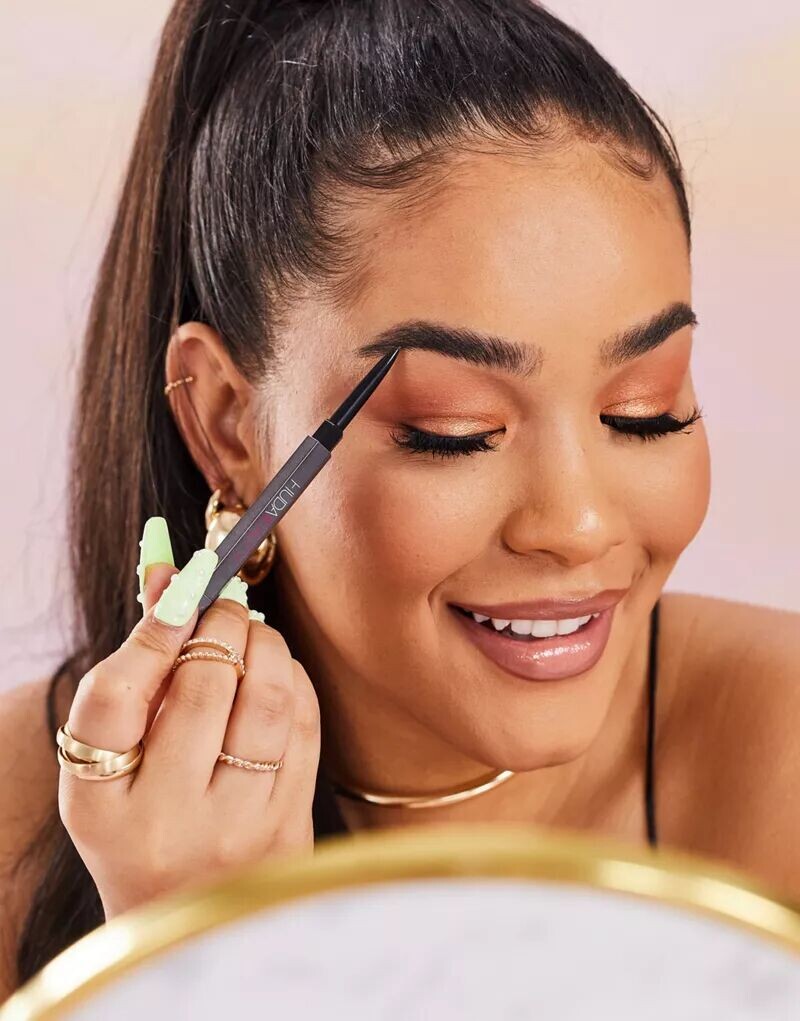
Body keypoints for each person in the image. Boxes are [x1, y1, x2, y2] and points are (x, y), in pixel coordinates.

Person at [2, 0, 798, 1003]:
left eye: (644, 411)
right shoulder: (17, 829)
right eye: (453, 430)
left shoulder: (780, 757)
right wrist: (189, 951)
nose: (579, 524)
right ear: (228, 424)